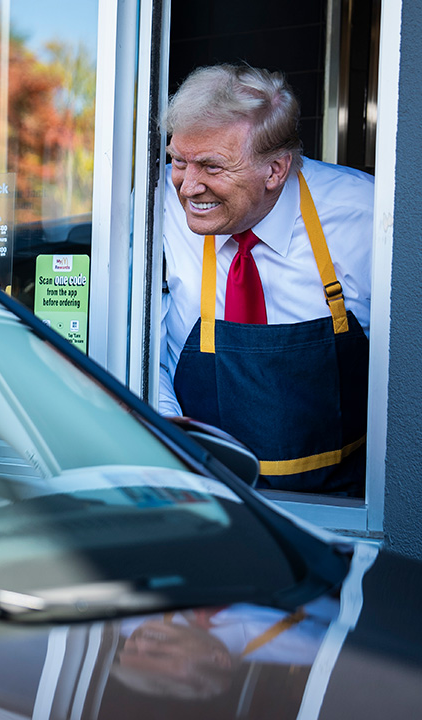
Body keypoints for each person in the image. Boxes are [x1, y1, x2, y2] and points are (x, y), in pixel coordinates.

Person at [157, 64, 375, 496]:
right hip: (207, 495)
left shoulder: (365, 216)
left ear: (275, 170)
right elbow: (140, 332)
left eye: (212, 167)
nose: (188, 187)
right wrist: (166, 426)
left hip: (338, 504)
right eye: (179, 160)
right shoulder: (158, 205)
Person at [110, 598, 337, 700]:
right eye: (160, 654)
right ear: (219, 659)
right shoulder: (308, 645)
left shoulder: (128, 617)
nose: (142, 641)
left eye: (129, 649)